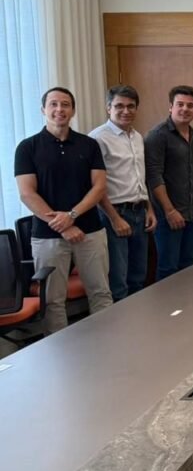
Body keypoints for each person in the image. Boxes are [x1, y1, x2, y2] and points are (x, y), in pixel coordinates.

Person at [15, 87, 113, 333]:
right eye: (54, 104)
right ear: (43, 109)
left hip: (90, 231)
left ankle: (108, 344)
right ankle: (60, 352)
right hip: (47, 236)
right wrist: (64, 226)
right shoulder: (27, 147)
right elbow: (27, 193)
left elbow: (99, 187)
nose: (59, 109)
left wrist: (71, 216)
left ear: (73, 110)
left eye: (65, 104)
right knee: (52, 301)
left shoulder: (89, 145)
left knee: (101, 293)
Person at [89, 85, 156, 302]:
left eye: (131, 106)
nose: (125, 111)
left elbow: (140, 178)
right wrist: (115, 218)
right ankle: (121, 323)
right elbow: (95, 186)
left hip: (139, 212)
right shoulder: (97, 139)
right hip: (114, 214)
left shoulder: (137, 137)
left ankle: (138, 320)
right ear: (108, 108)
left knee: (138, 276)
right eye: (119, 106)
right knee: (119, 280)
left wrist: (149, 209)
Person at [146, 85, 193, 280]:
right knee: (168, 269)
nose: (185, 109)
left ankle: (188, 301)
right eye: (180, 104)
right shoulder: (157, 136)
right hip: (167, 216)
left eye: (190, 105)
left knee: (189, 266)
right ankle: (165, 302)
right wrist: (170, 211)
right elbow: (153, 176)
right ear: (171, 106)